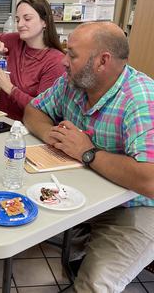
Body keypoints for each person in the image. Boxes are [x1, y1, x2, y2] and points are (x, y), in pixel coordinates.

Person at [24, 21, 154, 292]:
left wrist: (87, 152)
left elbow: (149, 180)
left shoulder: (141, 99)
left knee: (95, 283)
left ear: (102, 61)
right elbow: (33, 111)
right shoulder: (73, 83)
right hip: (87, 193)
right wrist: (51, 135)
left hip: (139, 206)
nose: (63, 61)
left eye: (72, 54)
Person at [0, 0, 65, 121]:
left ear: (45, 22)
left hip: (30, 129)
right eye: (17, 20)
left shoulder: (56, 61)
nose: (20, 24)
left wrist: (9, 88)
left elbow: (42, 109)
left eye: (27, 19)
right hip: (4, 121)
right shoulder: (15, 40)